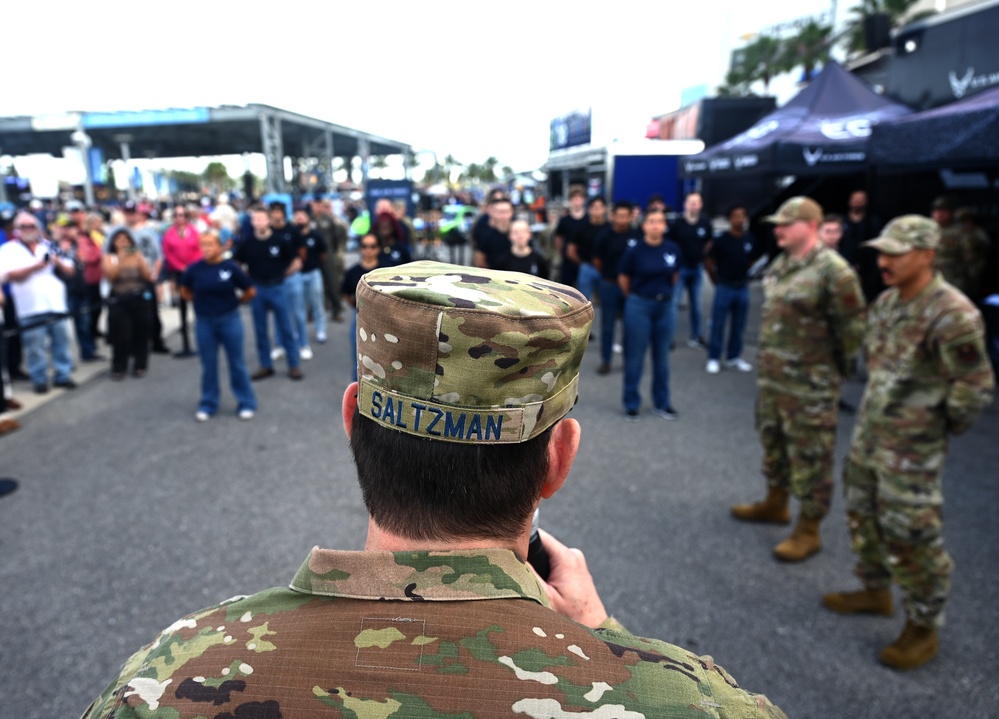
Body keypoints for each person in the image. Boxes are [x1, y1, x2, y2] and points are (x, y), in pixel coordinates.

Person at [81, 260, 788, 719]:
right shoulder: (693, 702)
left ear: (352, 421)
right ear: (558, 457)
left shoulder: (164, 680)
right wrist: (610, 643)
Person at [823, 216, 994, 670]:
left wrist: (932, 427)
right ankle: (875, 588)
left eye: (896, 253)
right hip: (870, 436)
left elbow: (973, 385)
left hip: (912, 449)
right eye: (882, 252)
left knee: (913, 532)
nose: (884, 261)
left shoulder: (952, 312)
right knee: (862, 512)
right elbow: (878, 367)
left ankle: (923, 623)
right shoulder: (887, 304)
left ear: (927, 255)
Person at [731, 197, 865, 562]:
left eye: (785, 224)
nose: (778, 230)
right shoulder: (784, 263)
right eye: (776, 224)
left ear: (810, 225)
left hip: (811, 387)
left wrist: (829, 373)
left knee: (811, 458)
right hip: (775, 380)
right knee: (774, 444)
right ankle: (776, 502)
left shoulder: (834, 272)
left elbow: (851, 331)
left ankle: (809, 527)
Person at [180, 231, 257, 422]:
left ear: (220, 246)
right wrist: (196, 301)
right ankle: (208, 403)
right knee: (208, 365)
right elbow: (184, 289)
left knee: (237, 364)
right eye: (203, 245)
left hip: (229, 320)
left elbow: (250, 290)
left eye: (210, 244)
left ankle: (246, 402)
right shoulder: (194, 269)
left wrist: (237, 303)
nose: (206, 249)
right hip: (205, 322)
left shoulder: (230, 268)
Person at [0, 213, 77, 394]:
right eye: (24, 227)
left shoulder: (48, 246)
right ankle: (39, 379)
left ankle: (63, 375)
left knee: (61, 342)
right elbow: (6, 276)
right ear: (17, 230)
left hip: (55, 303)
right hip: (29, 307)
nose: (28, 230)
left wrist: (56, 262)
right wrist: (36, 266)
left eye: (31, 226)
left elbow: (70, 270)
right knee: (35, 347)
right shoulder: (8, 249)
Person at [618, 207, 681, 422]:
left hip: (665, 306)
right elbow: (624, 279)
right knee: (635, 357)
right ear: (644, 225)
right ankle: (631, 402)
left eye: (660, 221)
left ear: (665, 225)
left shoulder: (672, 249)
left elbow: (674, 276)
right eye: (651, 221)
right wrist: (637, 298)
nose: (656, 225)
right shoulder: (635, 251)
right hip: (639, 306)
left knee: (662, 358)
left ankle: (662, 403)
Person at [233, 204, 303, 381]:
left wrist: (283, 274)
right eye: (255, 219)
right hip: (258, 289)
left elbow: (296, 261)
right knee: (260, 330)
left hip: (278, 287)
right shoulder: (247, 243)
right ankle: (266, 365)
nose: (258, 222)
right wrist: (245, 279)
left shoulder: (280, 240)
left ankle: (293, 364)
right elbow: (236, 264)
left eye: (261, 218)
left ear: (268, 221)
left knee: (286, 327)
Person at [704, 204, 755, 374]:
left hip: (742, 287)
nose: (739, 219)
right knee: (718, 324)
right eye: (736, 216)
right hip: (724, 286)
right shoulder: (721, 240)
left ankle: (734, 357)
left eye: (742, 216)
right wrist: (715, 281)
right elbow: (710, 262)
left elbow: (750, 262)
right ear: (730, 219)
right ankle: (713, 357)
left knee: (739, 325)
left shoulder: (749, 239)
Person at [592, 199, 639, 374]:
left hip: (630, 288)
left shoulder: (636, 235)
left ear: (630, 217)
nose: (622, 219)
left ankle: (628, 360)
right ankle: (606, 360)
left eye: (625, 216)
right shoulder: (604, 236)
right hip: (609, 286)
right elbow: (597, 261)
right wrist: (609, 276)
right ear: (613, 216)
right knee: (607, 326)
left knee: (629, 325)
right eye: (619, 216)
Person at [102, 228, 153, 381]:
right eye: (119, 240)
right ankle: (119, 366)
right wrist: (121, 259)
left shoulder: (137, 255)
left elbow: (147, 276)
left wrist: (139, 259)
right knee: (121, 334)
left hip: (138, 297)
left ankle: (140, 364)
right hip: (119, 298)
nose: (123, 243)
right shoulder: (110, 257)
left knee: (141, 332)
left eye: (126, 240)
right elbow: (111, 276)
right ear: (114, 243)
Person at [122, 201, 169, 354]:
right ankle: (135, 344)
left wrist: (155, 274)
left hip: (147, 277)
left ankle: (156, 340)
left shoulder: (149, 232)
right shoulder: (120, 233)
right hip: (129, 279)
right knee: (131, 315)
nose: (131, 216)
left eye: (133, 212)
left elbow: (158, 256)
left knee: (152, 312)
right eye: (127, 212)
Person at [670, 192, 712, 349]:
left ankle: (696, 336)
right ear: (685, 204)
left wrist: (703, 257)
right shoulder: (677, 225)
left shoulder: (705, 224)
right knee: (673, 304)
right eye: (691, 202)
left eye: (697, 202)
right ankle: (669, 338)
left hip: (697, 269)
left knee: (696, 305)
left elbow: (709, 242)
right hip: (680, 269)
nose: (694, 205)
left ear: (701, 205)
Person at [932, 196, 990, 303]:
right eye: (937, 211)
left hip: (954, 284)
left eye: (944, 211)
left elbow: (973, 261)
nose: (939, 214)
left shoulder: (962, 232)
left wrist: (969, 283)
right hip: (930, 283)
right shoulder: (926, 231)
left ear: (951, 213)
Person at [161, 204, 201, 358]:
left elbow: (198, 249)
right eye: (176, 215)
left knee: (196, 303)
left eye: (182, 215)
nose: (179, 218)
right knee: (182, 305)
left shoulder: (194, 231)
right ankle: (185, 342)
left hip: (193, 271)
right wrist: (180, 266)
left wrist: (190, 267)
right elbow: (168, 252)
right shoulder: (169, 233)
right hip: (178, 272)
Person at [341, 233, 381, 383]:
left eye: (372, 246)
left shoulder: (383, 272)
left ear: (378, 249)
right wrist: (356, 306)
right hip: (359, 316)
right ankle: (357, 396)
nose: (368, 250)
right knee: (359, 359)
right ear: (360, 249)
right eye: (365, 246)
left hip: (381, 318)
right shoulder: (352, 272)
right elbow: (345, 293)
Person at [291, 206, 328, 356]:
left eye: (302, 215)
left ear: (308, 218)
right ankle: (300, 332)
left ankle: (320, 330)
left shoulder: (315, 235)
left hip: (313, 273)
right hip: (297, 275)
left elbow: (323, 253)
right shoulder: (292, 236)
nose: (300, 218)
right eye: (297, 215)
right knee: (299, 306)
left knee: (317, 302)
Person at [842, 190, 884, 303]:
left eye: (861, 200)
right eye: (855, 199)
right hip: (845, 265)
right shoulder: (842, 222)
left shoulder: (872, 222)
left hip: (868, 268)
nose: (858, 202)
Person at [554, 185, 587, 287]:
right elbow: (558, 239)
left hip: (585, 261)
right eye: (574, 198)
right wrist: (564, 252)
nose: (577, 200)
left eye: (579, 197)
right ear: (570, 200)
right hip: (567, 262)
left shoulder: (588, 219)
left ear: (584, 200)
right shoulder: (564, 220)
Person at [473, 195, 513, 269]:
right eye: (500, 212)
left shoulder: (519, 230)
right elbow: (480, 259)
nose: (504, 216)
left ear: (512, 212)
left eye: (506, 211)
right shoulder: (487, 234)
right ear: (493, 213)